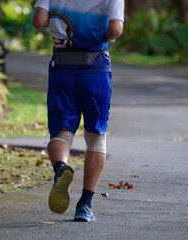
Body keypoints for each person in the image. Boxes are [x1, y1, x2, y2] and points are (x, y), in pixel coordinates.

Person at [32, 0, 124, 222]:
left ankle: (61, 167)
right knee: (96, 137)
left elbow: (39, 22)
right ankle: (84, 205)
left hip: (61, 68)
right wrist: (105, 35)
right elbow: (115, 29)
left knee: (61, 132)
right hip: (95, 69)